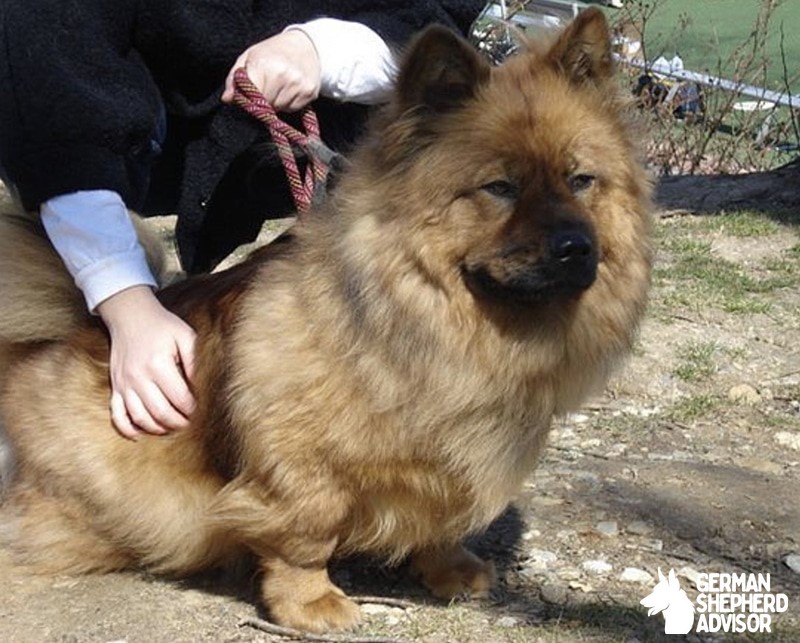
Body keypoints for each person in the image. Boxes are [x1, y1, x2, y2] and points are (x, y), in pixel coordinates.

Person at [0, 1, 484, 440]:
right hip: (127, 108)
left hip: (323, 120)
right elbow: (52, 87)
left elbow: (438, 23)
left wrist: (320, 49)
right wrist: (126, 307)